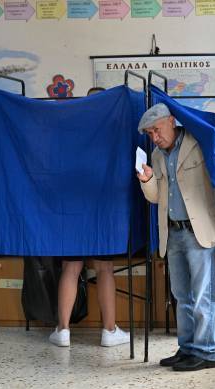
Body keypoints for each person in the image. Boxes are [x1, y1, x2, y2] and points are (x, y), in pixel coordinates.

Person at [136, 103, 215, 371]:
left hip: (200, 230)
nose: (155, 137)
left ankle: (206, 352)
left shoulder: (199, 141)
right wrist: (147, 180)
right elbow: (155, 198)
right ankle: (188, 348)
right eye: (150, 133)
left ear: (171, 121)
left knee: (202, 295)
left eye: (157, 130)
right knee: (181, 295)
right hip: (173, 231)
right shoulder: (156, 156)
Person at [48, 86, 130, 348]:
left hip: (71, 210)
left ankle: (63, 330)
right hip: (104, 211)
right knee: (104, 268)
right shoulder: (115, 133)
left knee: (71, 268)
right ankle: (109, 331)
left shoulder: (70, 132)